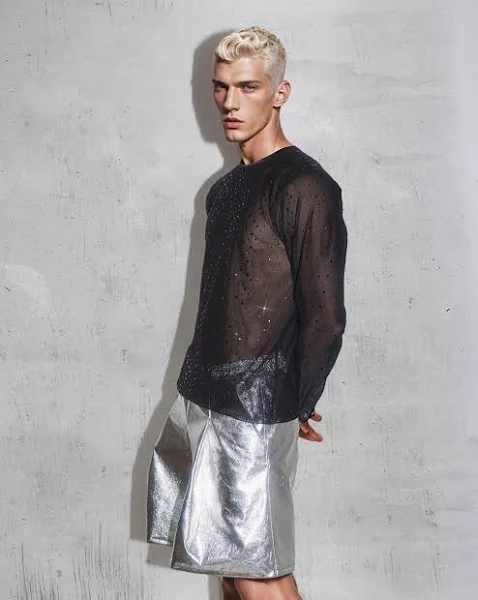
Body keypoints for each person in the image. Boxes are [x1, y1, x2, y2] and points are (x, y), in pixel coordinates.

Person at [146, 26, 348, 600]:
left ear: (280, 93)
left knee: (257, 574)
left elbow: (325, 313)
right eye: (221, 87)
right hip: (202, 395)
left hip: (255, 405)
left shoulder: (305, 185)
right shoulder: (225, 190)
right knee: (229, 569)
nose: (230, 102)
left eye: (248, 87)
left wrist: (299, 397)